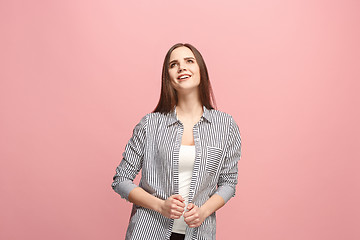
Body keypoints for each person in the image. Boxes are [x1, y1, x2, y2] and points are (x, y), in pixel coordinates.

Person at [111, 43, 242, 240]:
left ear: (201, 70)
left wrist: (204, 211)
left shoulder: (226, 125)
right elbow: (121, 180)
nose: (182, 67)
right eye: (174, 64)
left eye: (189, 61)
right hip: (148, 232)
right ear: (168, 78)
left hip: (198, 234)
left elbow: (229, 183)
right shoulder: (150, 124)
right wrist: (160, 206)